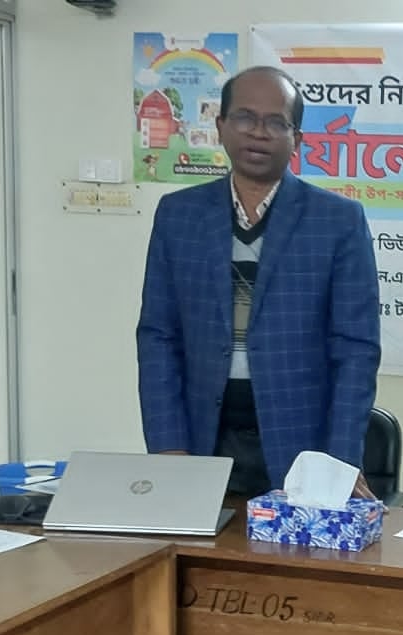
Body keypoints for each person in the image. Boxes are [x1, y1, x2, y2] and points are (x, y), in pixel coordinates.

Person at [137, 65, 382, 498]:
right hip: (200, 439)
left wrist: (340, 458)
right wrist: (167, 443)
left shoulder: (337, 221)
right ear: (220, 126)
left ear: (297, 138)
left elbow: (356, 350)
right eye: (245, 118)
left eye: (275, 122)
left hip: (302, 443)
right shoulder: (179, 216)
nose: (258, 132)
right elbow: (158, 336)